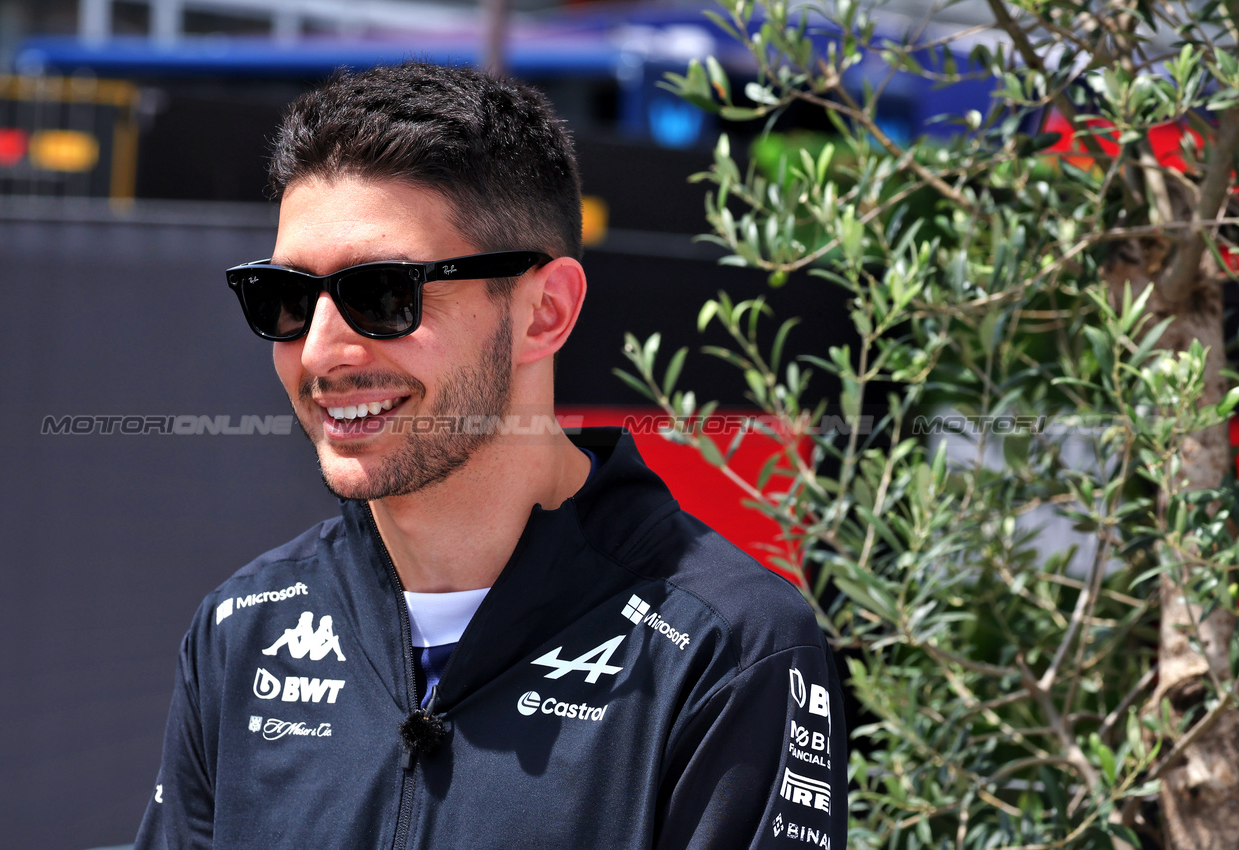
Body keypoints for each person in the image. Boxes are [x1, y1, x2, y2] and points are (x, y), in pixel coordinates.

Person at [135, 62, 847, 850]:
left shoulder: (726, 648)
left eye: (381, 294)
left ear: (545, 312)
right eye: (286, 298)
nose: (319, 351)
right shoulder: (241, 631)